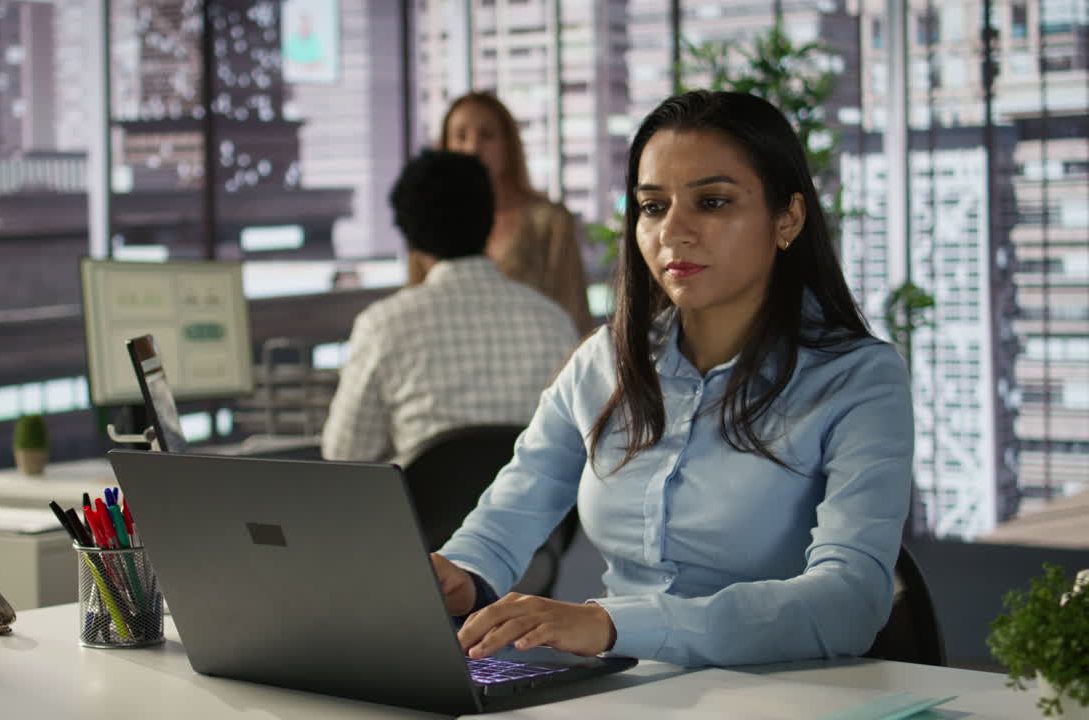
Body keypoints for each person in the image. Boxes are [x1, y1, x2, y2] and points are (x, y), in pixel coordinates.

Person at [431, 90, 915, 668]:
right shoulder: (603, 362)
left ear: (787, 218)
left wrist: (615, 624)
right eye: (653, 206)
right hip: (625, 690)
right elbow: (508, 514)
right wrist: (459, 576)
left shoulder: (859, 379)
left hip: (779, 695)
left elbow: (849, 602)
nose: (673, 232)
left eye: (712, 202)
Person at [321, 150, 579, 466]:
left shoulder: (382, 326)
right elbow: (573, 450)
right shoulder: (553, 322)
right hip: (534, 514)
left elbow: (344, 453)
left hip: (422, 515)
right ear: (490, 220)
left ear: (409, 236)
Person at [408, 91, 595, 336]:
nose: (473, 147)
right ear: (445, 148)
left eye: (486, 135)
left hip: (539, 362)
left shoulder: (550, 222)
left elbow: (574, 313)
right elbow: (414, 305)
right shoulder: (429, 221)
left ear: (508, 145)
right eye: (460, 136)